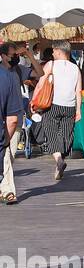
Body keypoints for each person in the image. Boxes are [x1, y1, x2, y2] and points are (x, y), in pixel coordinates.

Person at [45, 42, 83, 183]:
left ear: (59, 51)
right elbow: (78, 91)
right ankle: (59, 163)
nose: (53, 54)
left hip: (53, 104)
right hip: (70, 106)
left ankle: (59, 160)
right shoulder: (76, 69)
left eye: (54, 51)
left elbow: (43, 83)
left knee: (51, 131)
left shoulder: (51, 65)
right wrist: (78, 109)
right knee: (67, 134)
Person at [0, 45, 25, 203]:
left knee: (9, 157)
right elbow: (12, 119)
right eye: (12, 55)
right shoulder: (7, 78)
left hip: (11, 124)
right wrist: (5, 140)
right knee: (6, 156)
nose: (15, 57)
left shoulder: (17, 71)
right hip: (6, 127)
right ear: (3, 56)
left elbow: (40, 74)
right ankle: (8, 190)